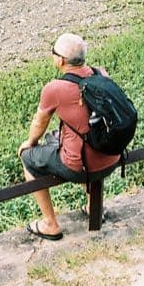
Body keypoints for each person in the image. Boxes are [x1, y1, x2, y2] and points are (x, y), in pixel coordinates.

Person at [18, 33, 121, 240]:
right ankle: (95, 207)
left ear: (61, 60)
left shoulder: (55, 88)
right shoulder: (101, 74)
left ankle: (50, 223)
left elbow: (39, 123)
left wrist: (30, 143)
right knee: (62, 139)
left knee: (27, 158)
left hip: (81, 166)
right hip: (112, 157)